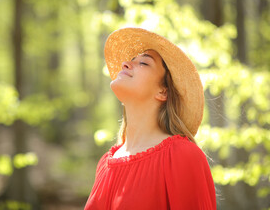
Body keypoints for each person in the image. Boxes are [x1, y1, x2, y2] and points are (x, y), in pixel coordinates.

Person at [84, 27, 216, 210]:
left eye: (144, 63)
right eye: (131, 60)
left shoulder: (183, 156)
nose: (125, 64)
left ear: (163, 92)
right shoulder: (105, 163)